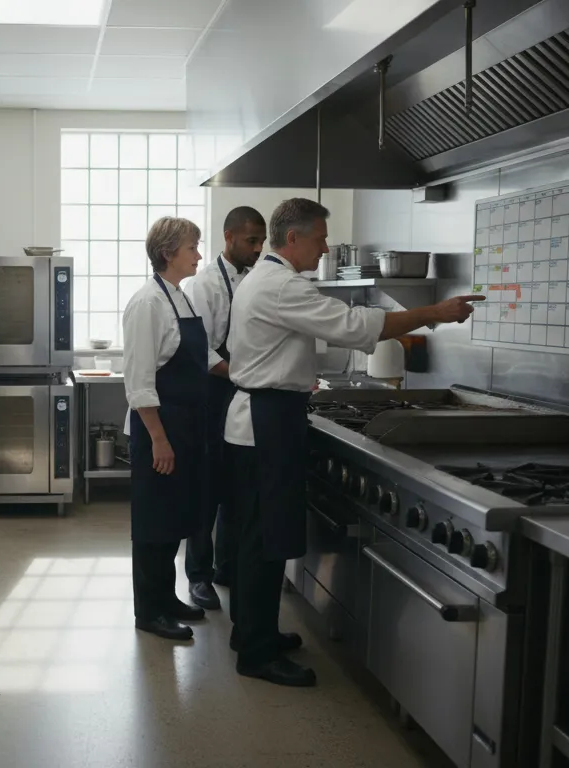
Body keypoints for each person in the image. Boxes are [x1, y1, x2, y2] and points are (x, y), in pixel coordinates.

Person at [224, 198, 483, 685]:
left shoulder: (264, 278)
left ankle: (252, 633)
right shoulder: (280, 285)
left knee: (258, 536)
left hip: (263, 418)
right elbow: (355, 326)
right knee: (264, 539)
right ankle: (255, 653)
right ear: (293, 238)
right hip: (266, 422)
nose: (325, 248)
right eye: (320, 239)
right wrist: (435, 312)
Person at [122, 216, 209, 641]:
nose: (199, 255)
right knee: (154, 523)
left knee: (174, 518)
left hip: (184, 426)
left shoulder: (181, 298)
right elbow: (138, 382)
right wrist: (159, 439)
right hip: (157, 428)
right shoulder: (147, 304)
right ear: (167, 253)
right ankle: (149, 611)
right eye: (192, 247)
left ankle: (167, 598)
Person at [181, 206, 266, 611]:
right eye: (251, 240)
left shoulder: (255, 279)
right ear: (229, 237)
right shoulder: (205, 284)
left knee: (236, 487)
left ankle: (227, 567)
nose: (258, 248)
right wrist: (238, 374)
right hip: (213, 393)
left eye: (262, 241)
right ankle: (198, 577)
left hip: (243, 391)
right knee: (206, 489)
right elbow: (200, 348)